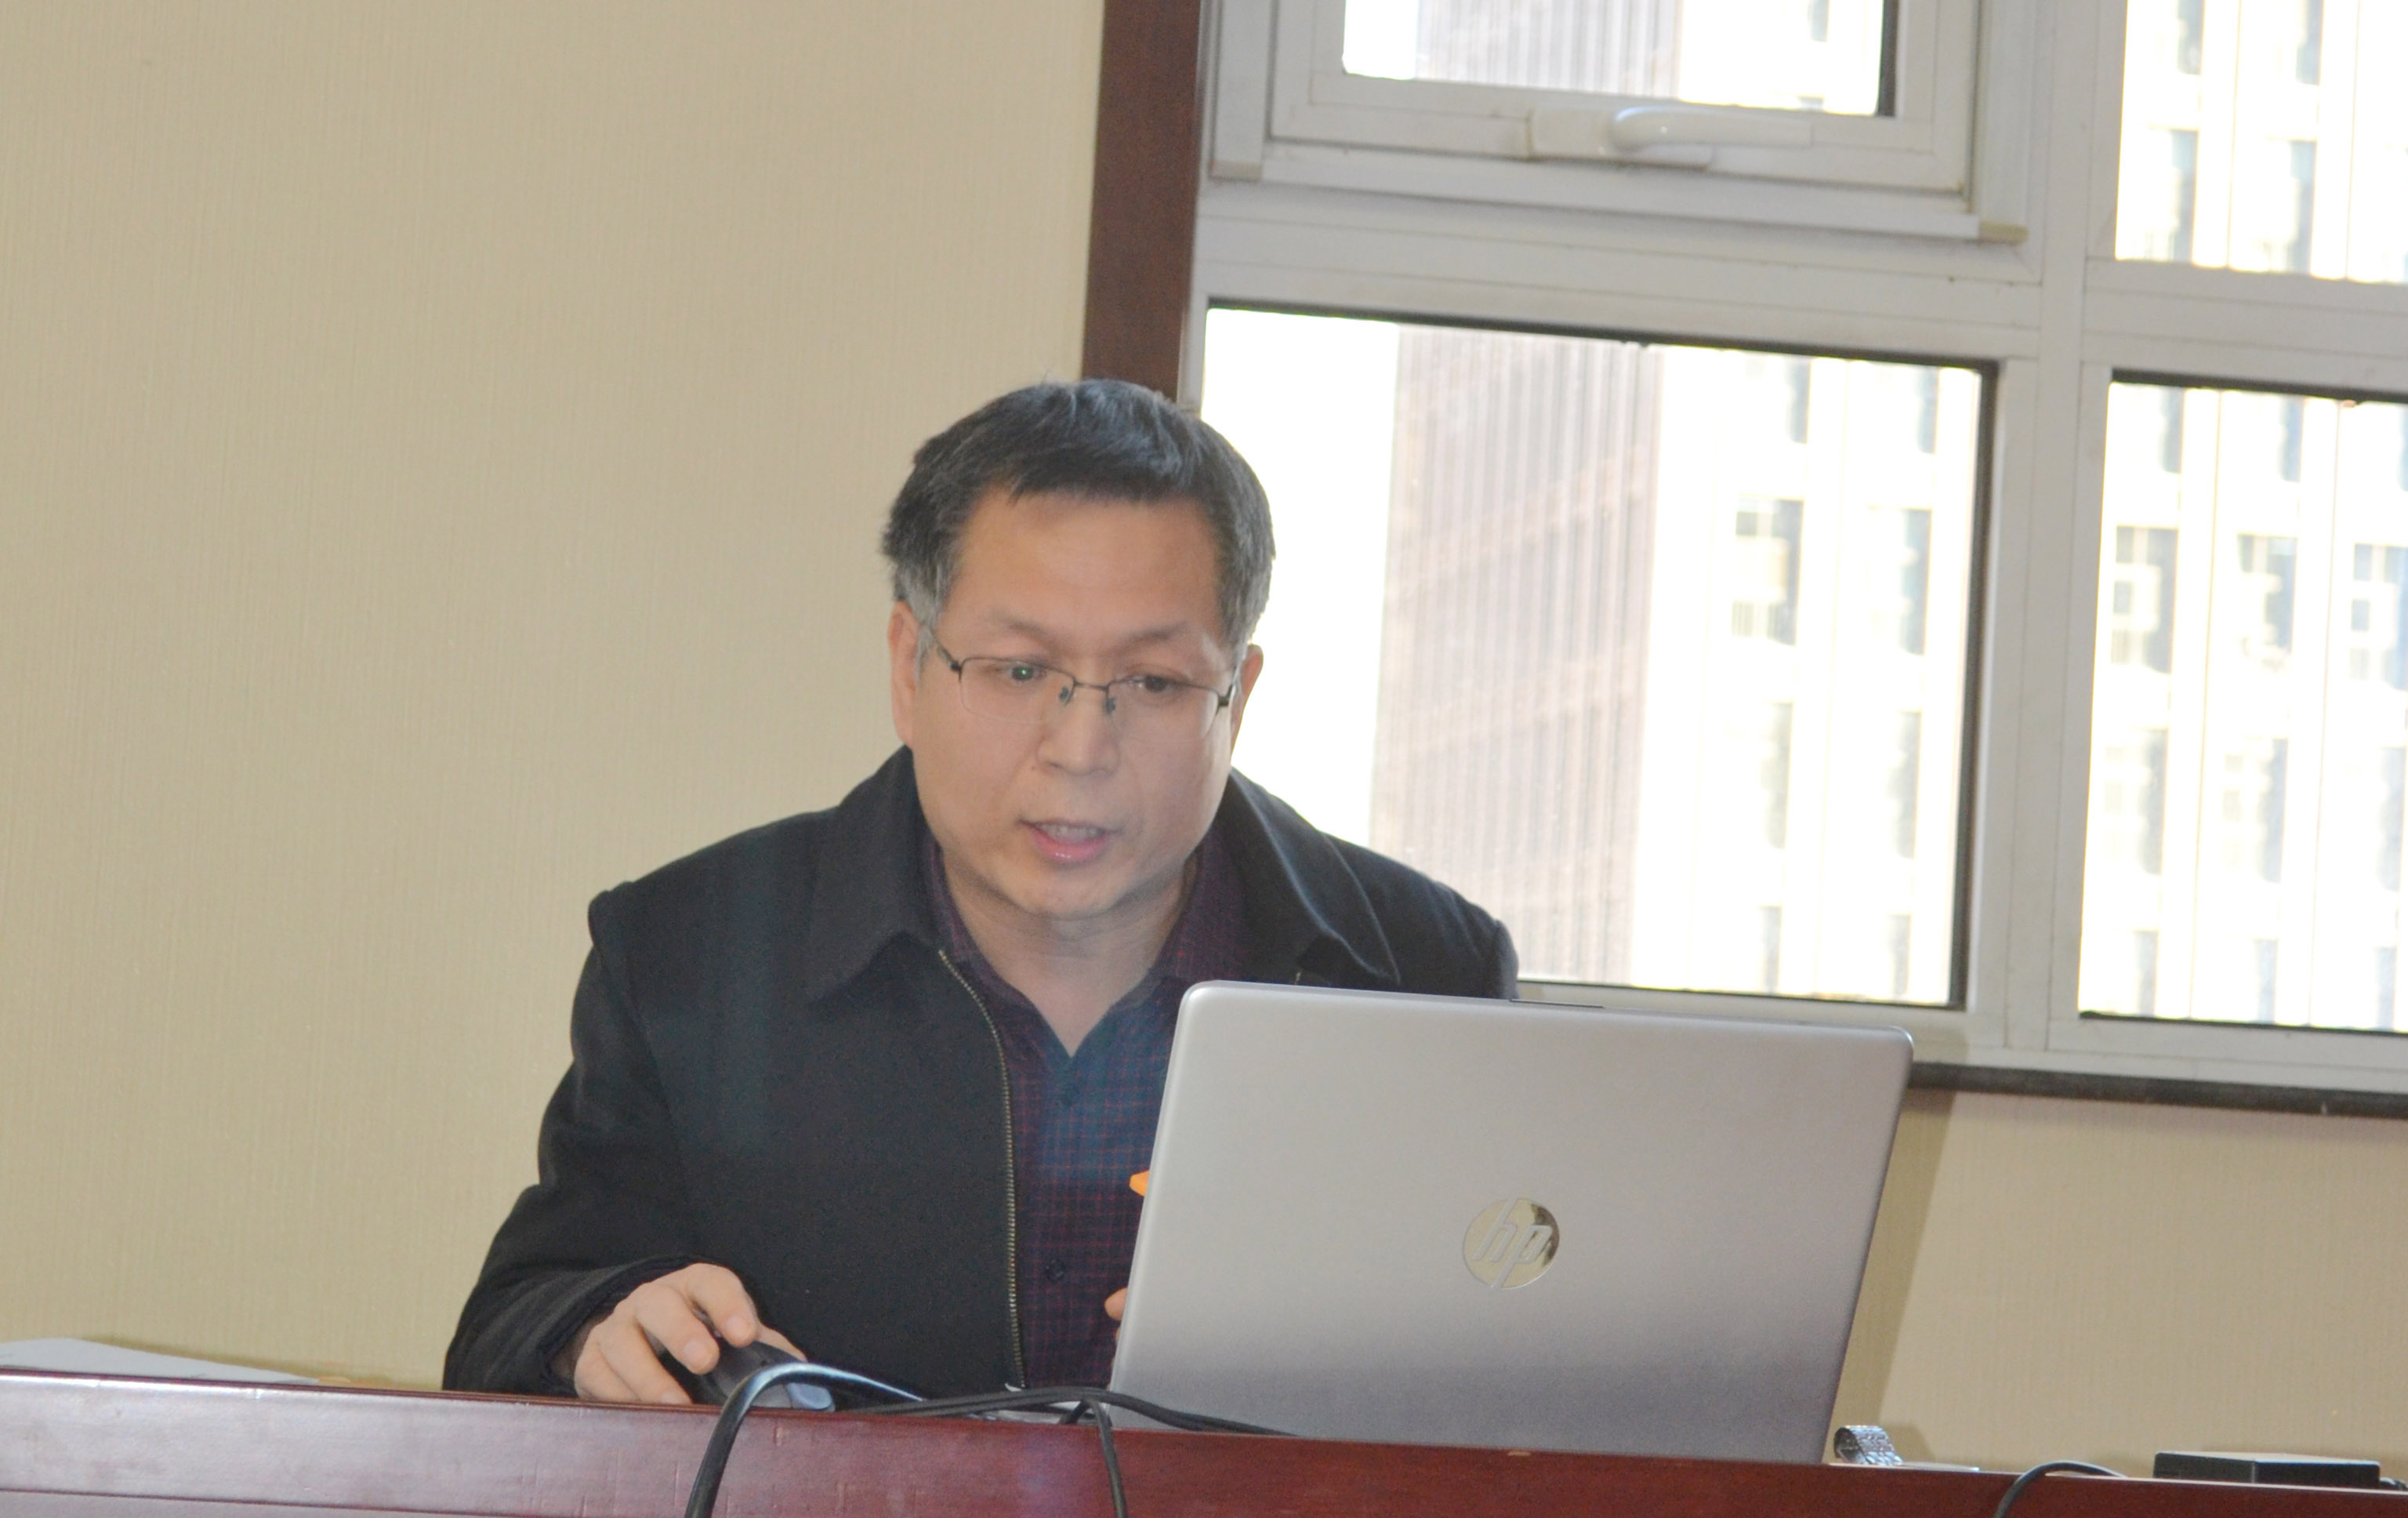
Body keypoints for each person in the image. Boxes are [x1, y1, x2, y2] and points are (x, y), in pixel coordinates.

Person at [443, 379, 1516, 1404]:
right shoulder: (688, 955)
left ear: (1237, 697)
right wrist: (595, 1331)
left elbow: (1520, 1380)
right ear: (909, 665)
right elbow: (512, 1324)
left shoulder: (1427, 975)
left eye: (1153, 682)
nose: (1080, 748)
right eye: (1018, 670)